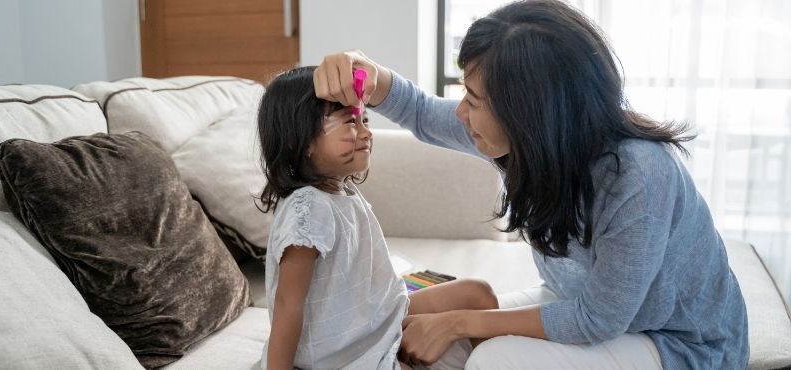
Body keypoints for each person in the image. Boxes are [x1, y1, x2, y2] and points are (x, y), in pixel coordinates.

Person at [312, 0, 749, 369]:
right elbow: (423, 113)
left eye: (474, 100)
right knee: (448, 347)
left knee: (491, 357)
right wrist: (365, 70)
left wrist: (460, 321)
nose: (461, 113)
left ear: (530, 115)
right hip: (577, 301)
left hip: (681, 344)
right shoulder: (522, 143)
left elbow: (598, 320)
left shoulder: (637, 176)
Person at [255, 66, 499, 370]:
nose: (367, 132)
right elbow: (287, 305)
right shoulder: (308, 208)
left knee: (477, 294)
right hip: (349, 353)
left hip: (381, 318)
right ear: (300, 142)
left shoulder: (343, 189)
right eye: (350, 123)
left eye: (364, 120)